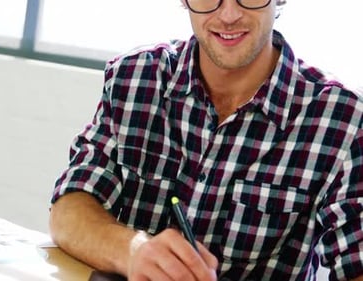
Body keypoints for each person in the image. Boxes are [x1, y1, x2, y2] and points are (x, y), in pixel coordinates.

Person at [49, 0, 363, 280]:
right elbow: (70, 207)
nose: (228, 14)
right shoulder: (134, 77)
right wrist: (133, 251)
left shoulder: (341, 118)